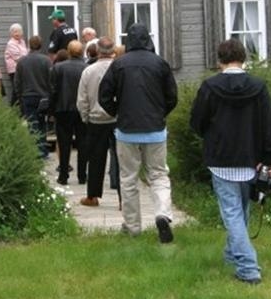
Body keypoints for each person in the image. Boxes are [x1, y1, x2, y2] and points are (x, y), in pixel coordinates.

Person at [189, 38, 271, 285]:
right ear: (244, 57)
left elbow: (197, 121)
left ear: (220, 60)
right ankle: (232, 255)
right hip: (252, 159)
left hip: (221, 158)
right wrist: (269, 157)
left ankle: (248, 268)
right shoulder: (258, 86)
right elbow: (269, 125)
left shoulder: (209, 87)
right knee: (241, 211)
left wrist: (210, 136)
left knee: (233, 214)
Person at [99, 23, 178, 243]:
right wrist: (160, 114)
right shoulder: (160, 64)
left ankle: (133, 227)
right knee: (159, 175)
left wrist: (119, 113)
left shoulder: (118, 64)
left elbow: (103, 96)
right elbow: (172, 97)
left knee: (128, 179)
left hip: (127, 131)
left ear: (128, 41)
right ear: (148, 39)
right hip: (155, 130)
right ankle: (162, 214)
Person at [76, 36, 117, 207]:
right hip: (117, 119)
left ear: (98, 51)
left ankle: (92, 196)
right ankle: (124, 199)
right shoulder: (119, 69)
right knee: (121, 159)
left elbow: (82, 99)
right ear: (113, 51)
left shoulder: (88, 71)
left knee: (95, 160)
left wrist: (85, 117)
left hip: (95, 119)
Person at [49, 40, 87, 184]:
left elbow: (52, 90)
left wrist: (51, 110)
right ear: (81, 52)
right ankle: (82, 175)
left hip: (62, 108)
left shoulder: (58, 68)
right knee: (82, 143)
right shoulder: (86, 67)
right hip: (81, 109)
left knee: (64, 143)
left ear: (69, 52)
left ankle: (63, 175)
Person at [14, 36, 52, 158]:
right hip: (43, 97)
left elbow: (17, 82)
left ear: (29, 45)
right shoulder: (46, 61)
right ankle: (43, 151)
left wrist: (20, 97)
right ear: (41, 45)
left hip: (27, 96)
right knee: (42, 124)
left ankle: (34, 151)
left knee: (32, 124)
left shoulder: (21, 62)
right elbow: (51, 80)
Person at [4, 23, 28, 104]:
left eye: (19, 31)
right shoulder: (11, 43)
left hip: (22, 68)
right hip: (14, 69)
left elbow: (25, 54)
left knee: (20, 89)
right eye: (15, 32)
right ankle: (13, 108)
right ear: (11, 33)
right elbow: (17, 58)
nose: (17, 33)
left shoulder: (22, 42)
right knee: (16, 89)